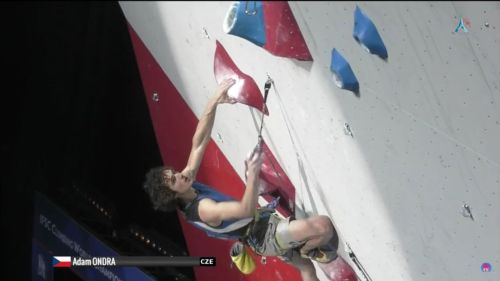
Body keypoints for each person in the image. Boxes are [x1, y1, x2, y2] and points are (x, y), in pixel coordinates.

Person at [143, 78, 338, 281]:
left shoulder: (186, 184)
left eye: (173, 172)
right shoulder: (204, 209)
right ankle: (309, 250)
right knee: (322, 227)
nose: (179, 174)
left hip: (261, 223)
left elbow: (198, 142)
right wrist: (253, 175)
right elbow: (246, 209)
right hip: (264, 236)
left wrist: (214, 101)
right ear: (173, 194)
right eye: (174, 180)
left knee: (306, 269)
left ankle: (305, 253)